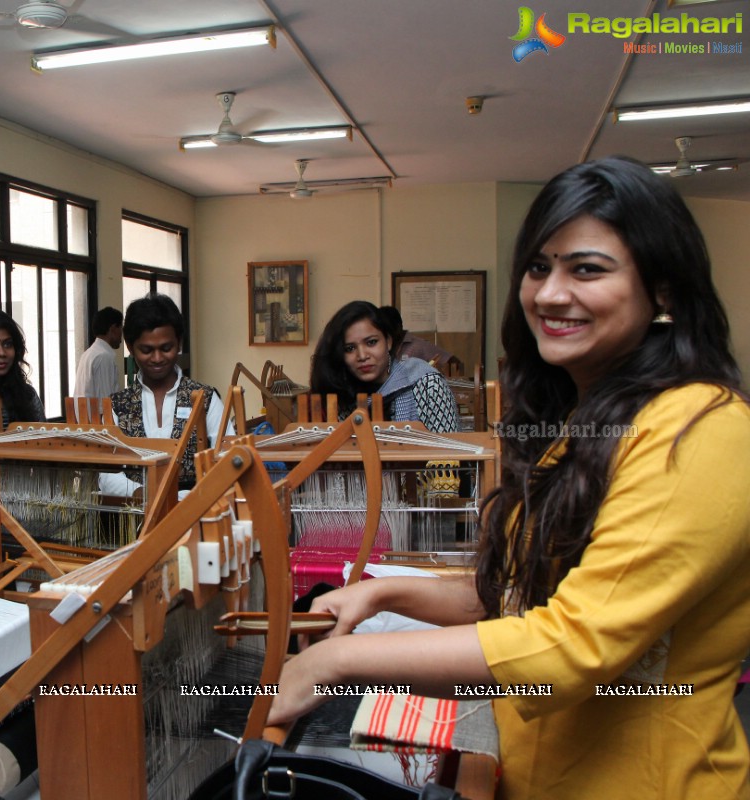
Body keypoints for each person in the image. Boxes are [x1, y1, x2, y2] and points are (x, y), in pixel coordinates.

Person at [269, 157, 750, 798]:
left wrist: (338, 662)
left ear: (662, 291)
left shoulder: (703, 431)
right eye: (538, 267)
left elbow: (568, 647)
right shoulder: (584, 424)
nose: (550, 294)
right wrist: (381, 597)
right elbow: (525, 594)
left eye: (587, 269)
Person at [101, 294, 226, 496]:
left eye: (166, 348)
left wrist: (181, 498)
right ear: (131, 348)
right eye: (147, 350)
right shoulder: (118, 406)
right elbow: (107, 475)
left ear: (179, 343)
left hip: (194, 512)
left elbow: (228, 460)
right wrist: (142, 494)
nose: (157, 358)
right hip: (135, 519)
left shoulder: (206, 400)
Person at [310, 300, 460, 432]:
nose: (362, 356)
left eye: (371, 342)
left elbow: (450, 457)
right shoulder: (342, 392)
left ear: (388, 342)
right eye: (349, 348)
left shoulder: (427, 384)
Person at [377, 305, 460, 373]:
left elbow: (454, 361)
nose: (385, 335)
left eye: (388, 331)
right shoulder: (381, 347)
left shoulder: (418, 345)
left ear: (398, 327)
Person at [73, 306, 123, 398]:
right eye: (120, 328)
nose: (121, 334)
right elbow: (105, 402)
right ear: (113, 329)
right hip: (97, 412)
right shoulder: (103, 356)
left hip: (83, 411)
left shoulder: (88, 354)